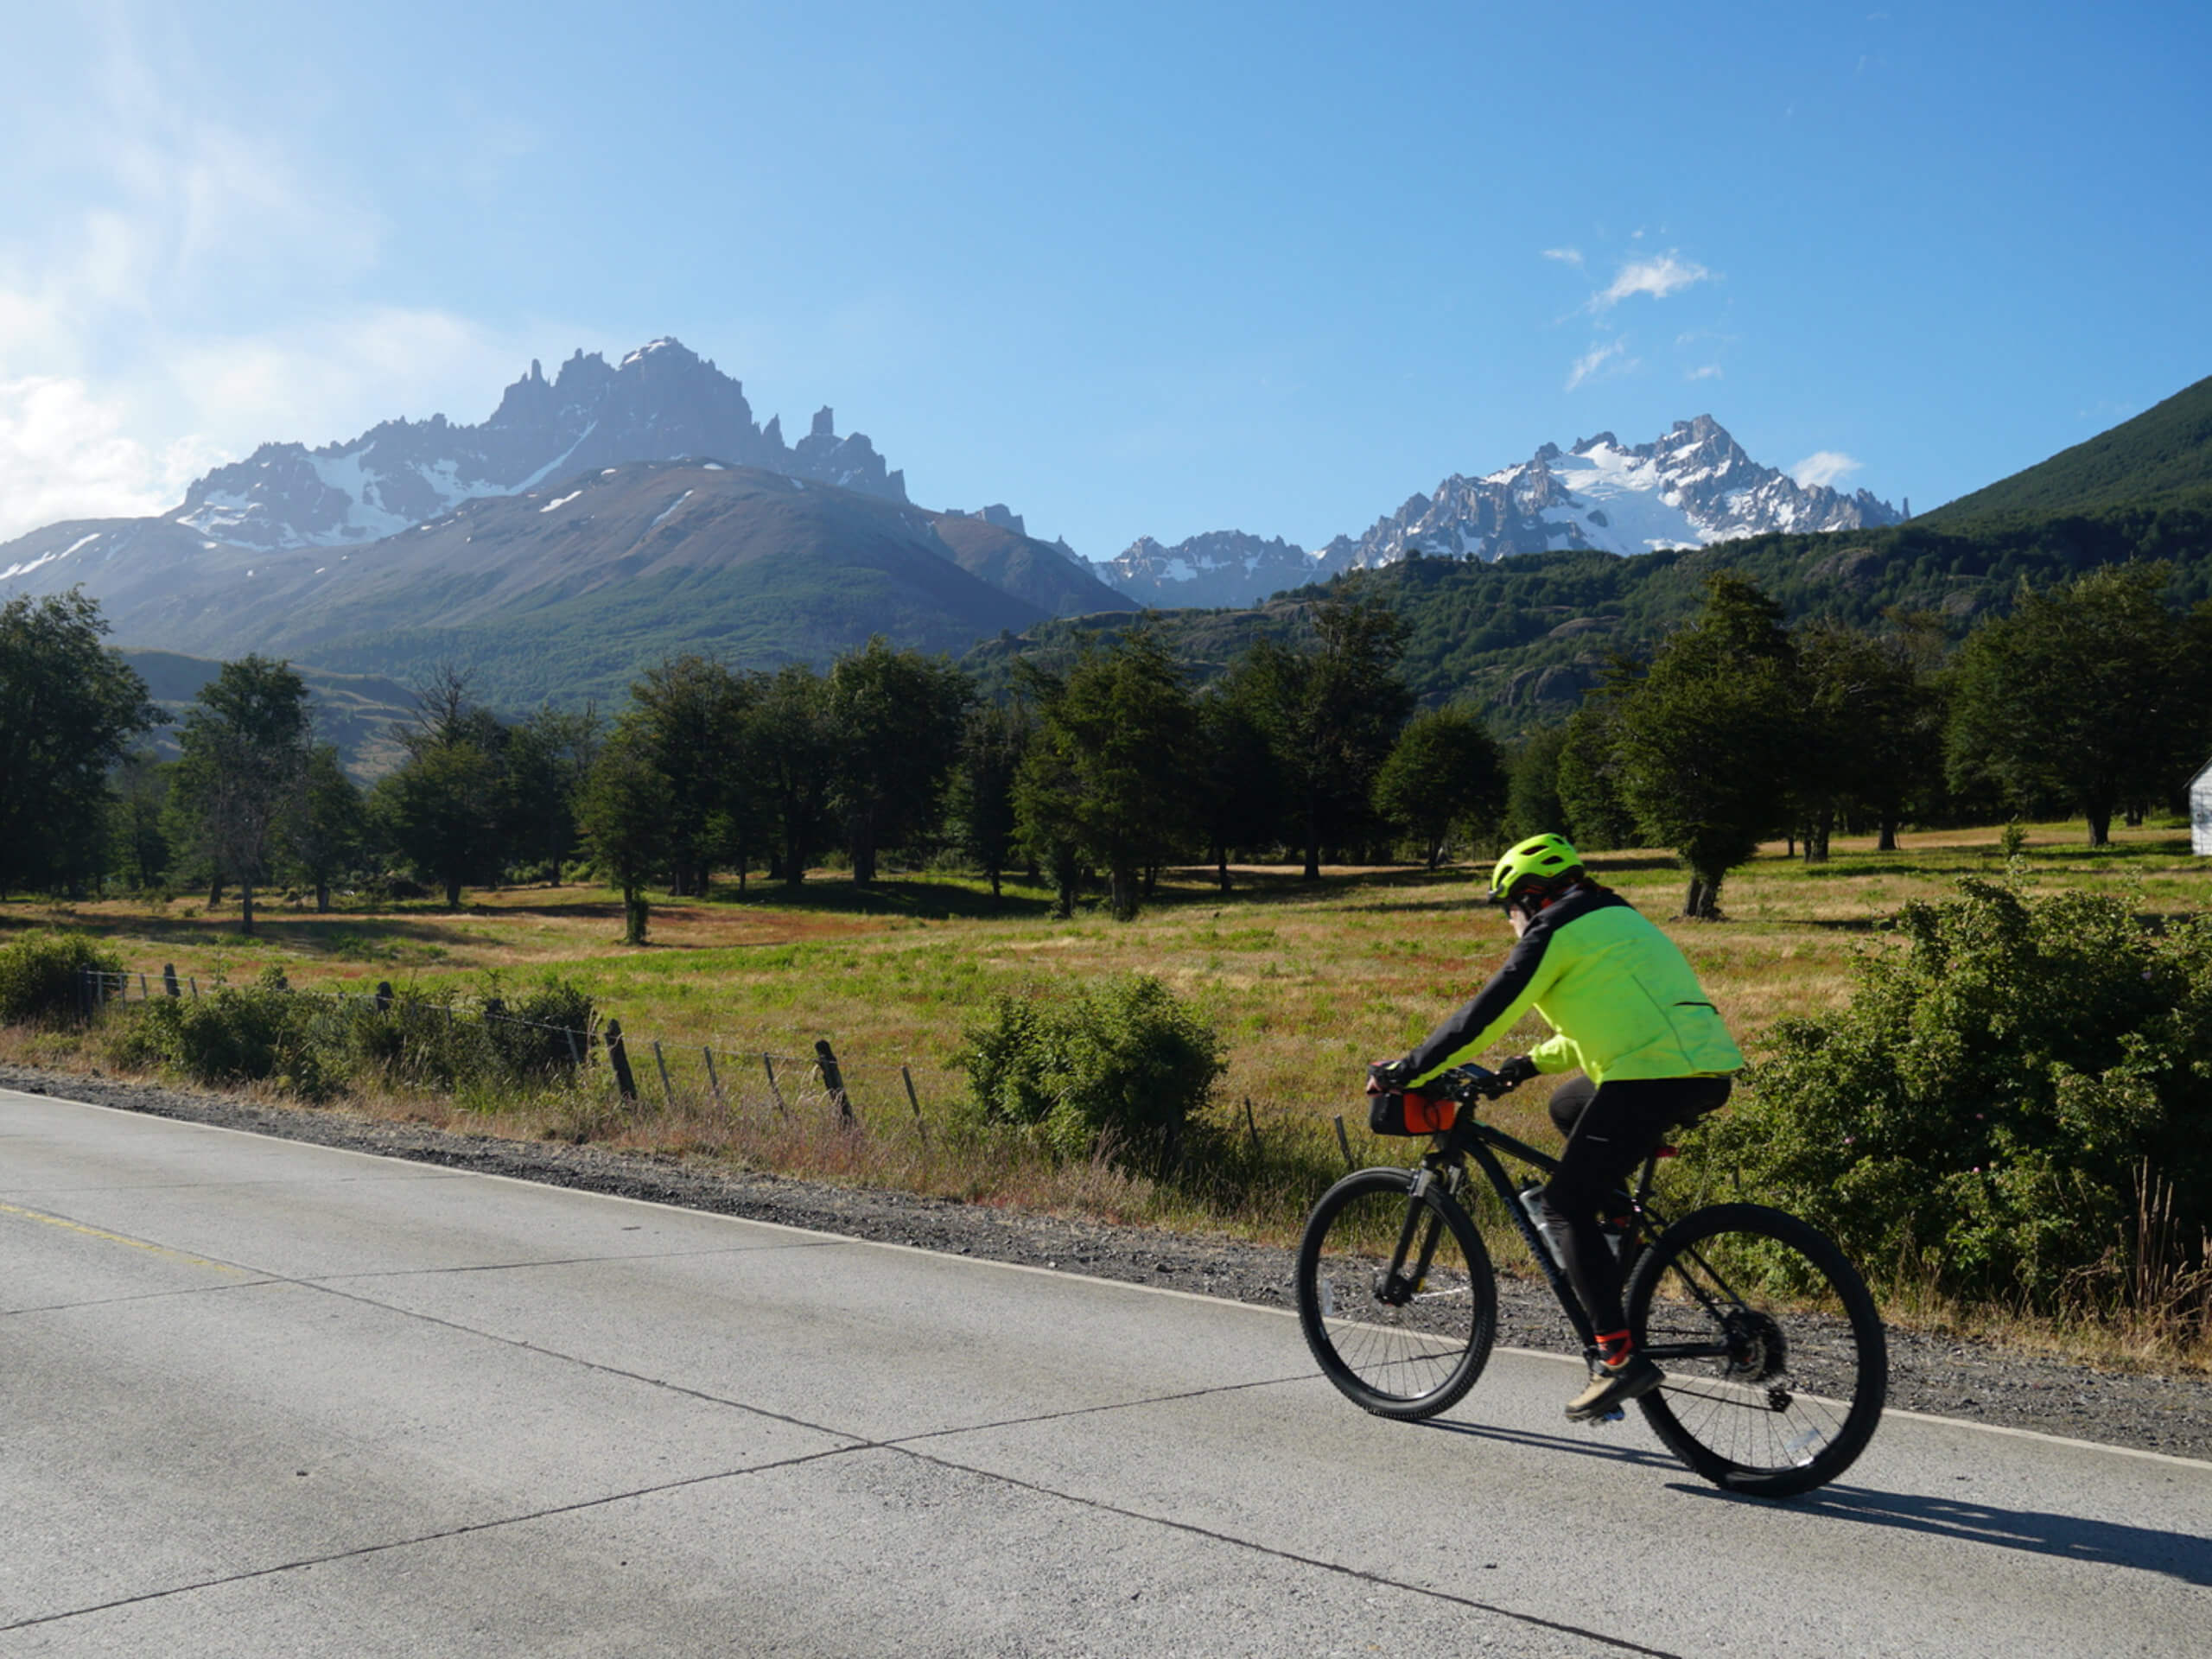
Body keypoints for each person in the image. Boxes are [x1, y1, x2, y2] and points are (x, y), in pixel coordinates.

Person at [1370, 833, 1744, 1421]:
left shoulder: (1554, 931)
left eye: (1508, 908)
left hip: (1651, 1075)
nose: (1510, 920)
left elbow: (1484, 1015)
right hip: (1701, 1068)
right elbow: (1609, 1021)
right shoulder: (1618, 918)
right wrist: (1523, 1066)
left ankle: (1617, 1358)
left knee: (1566, 1204)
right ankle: (1619, 1224)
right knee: (1569, 1105)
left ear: (1528, 897)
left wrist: (1407, 1069)